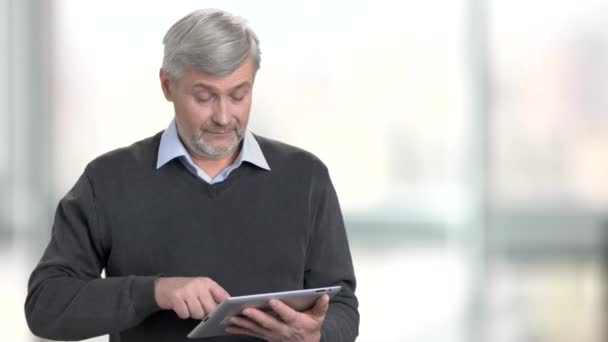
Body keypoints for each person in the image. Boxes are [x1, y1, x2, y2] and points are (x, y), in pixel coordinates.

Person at [24, 8, 359, 342]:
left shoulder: (306, 178)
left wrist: (318, 335)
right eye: (204, 96)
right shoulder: (108, 181)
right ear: (167, 85)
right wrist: (154, 291)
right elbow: (46, 306)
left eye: (238, 95)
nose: (224, 116)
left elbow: (343, 307)